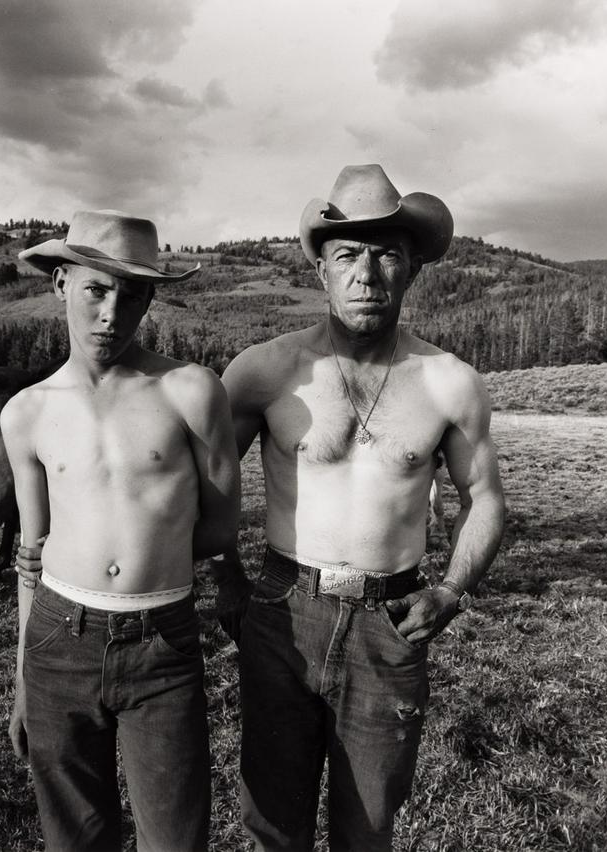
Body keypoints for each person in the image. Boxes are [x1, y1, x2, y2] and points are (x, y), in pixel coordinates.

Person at [213, 164, 506, 851]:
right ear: (321, 270)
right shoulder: (265, 370)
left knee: (368, 826)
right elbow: (207, 478)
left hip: (391, 620)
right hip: (284, 610)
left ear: (412, 271)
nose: (366, 273)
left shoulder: (449, 382)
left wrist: (454, 590)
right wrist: (227, 576)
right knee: (273, 822)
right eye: (347, 254)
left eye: (386, 254)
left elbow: (485, 496)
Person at [1, 209, 241, 852]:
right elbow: (31, 554)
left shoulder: (191, 391)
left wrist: (145, 560)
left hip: (161, 639)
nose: (112, 313)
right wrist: (26, 678)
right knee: (75, 835)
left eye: (132, 295)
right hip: (58, 636)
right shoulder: (26, 414)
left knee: (175, 835)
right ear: (60, 285)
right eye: (95, 290)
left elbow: (219, 528)